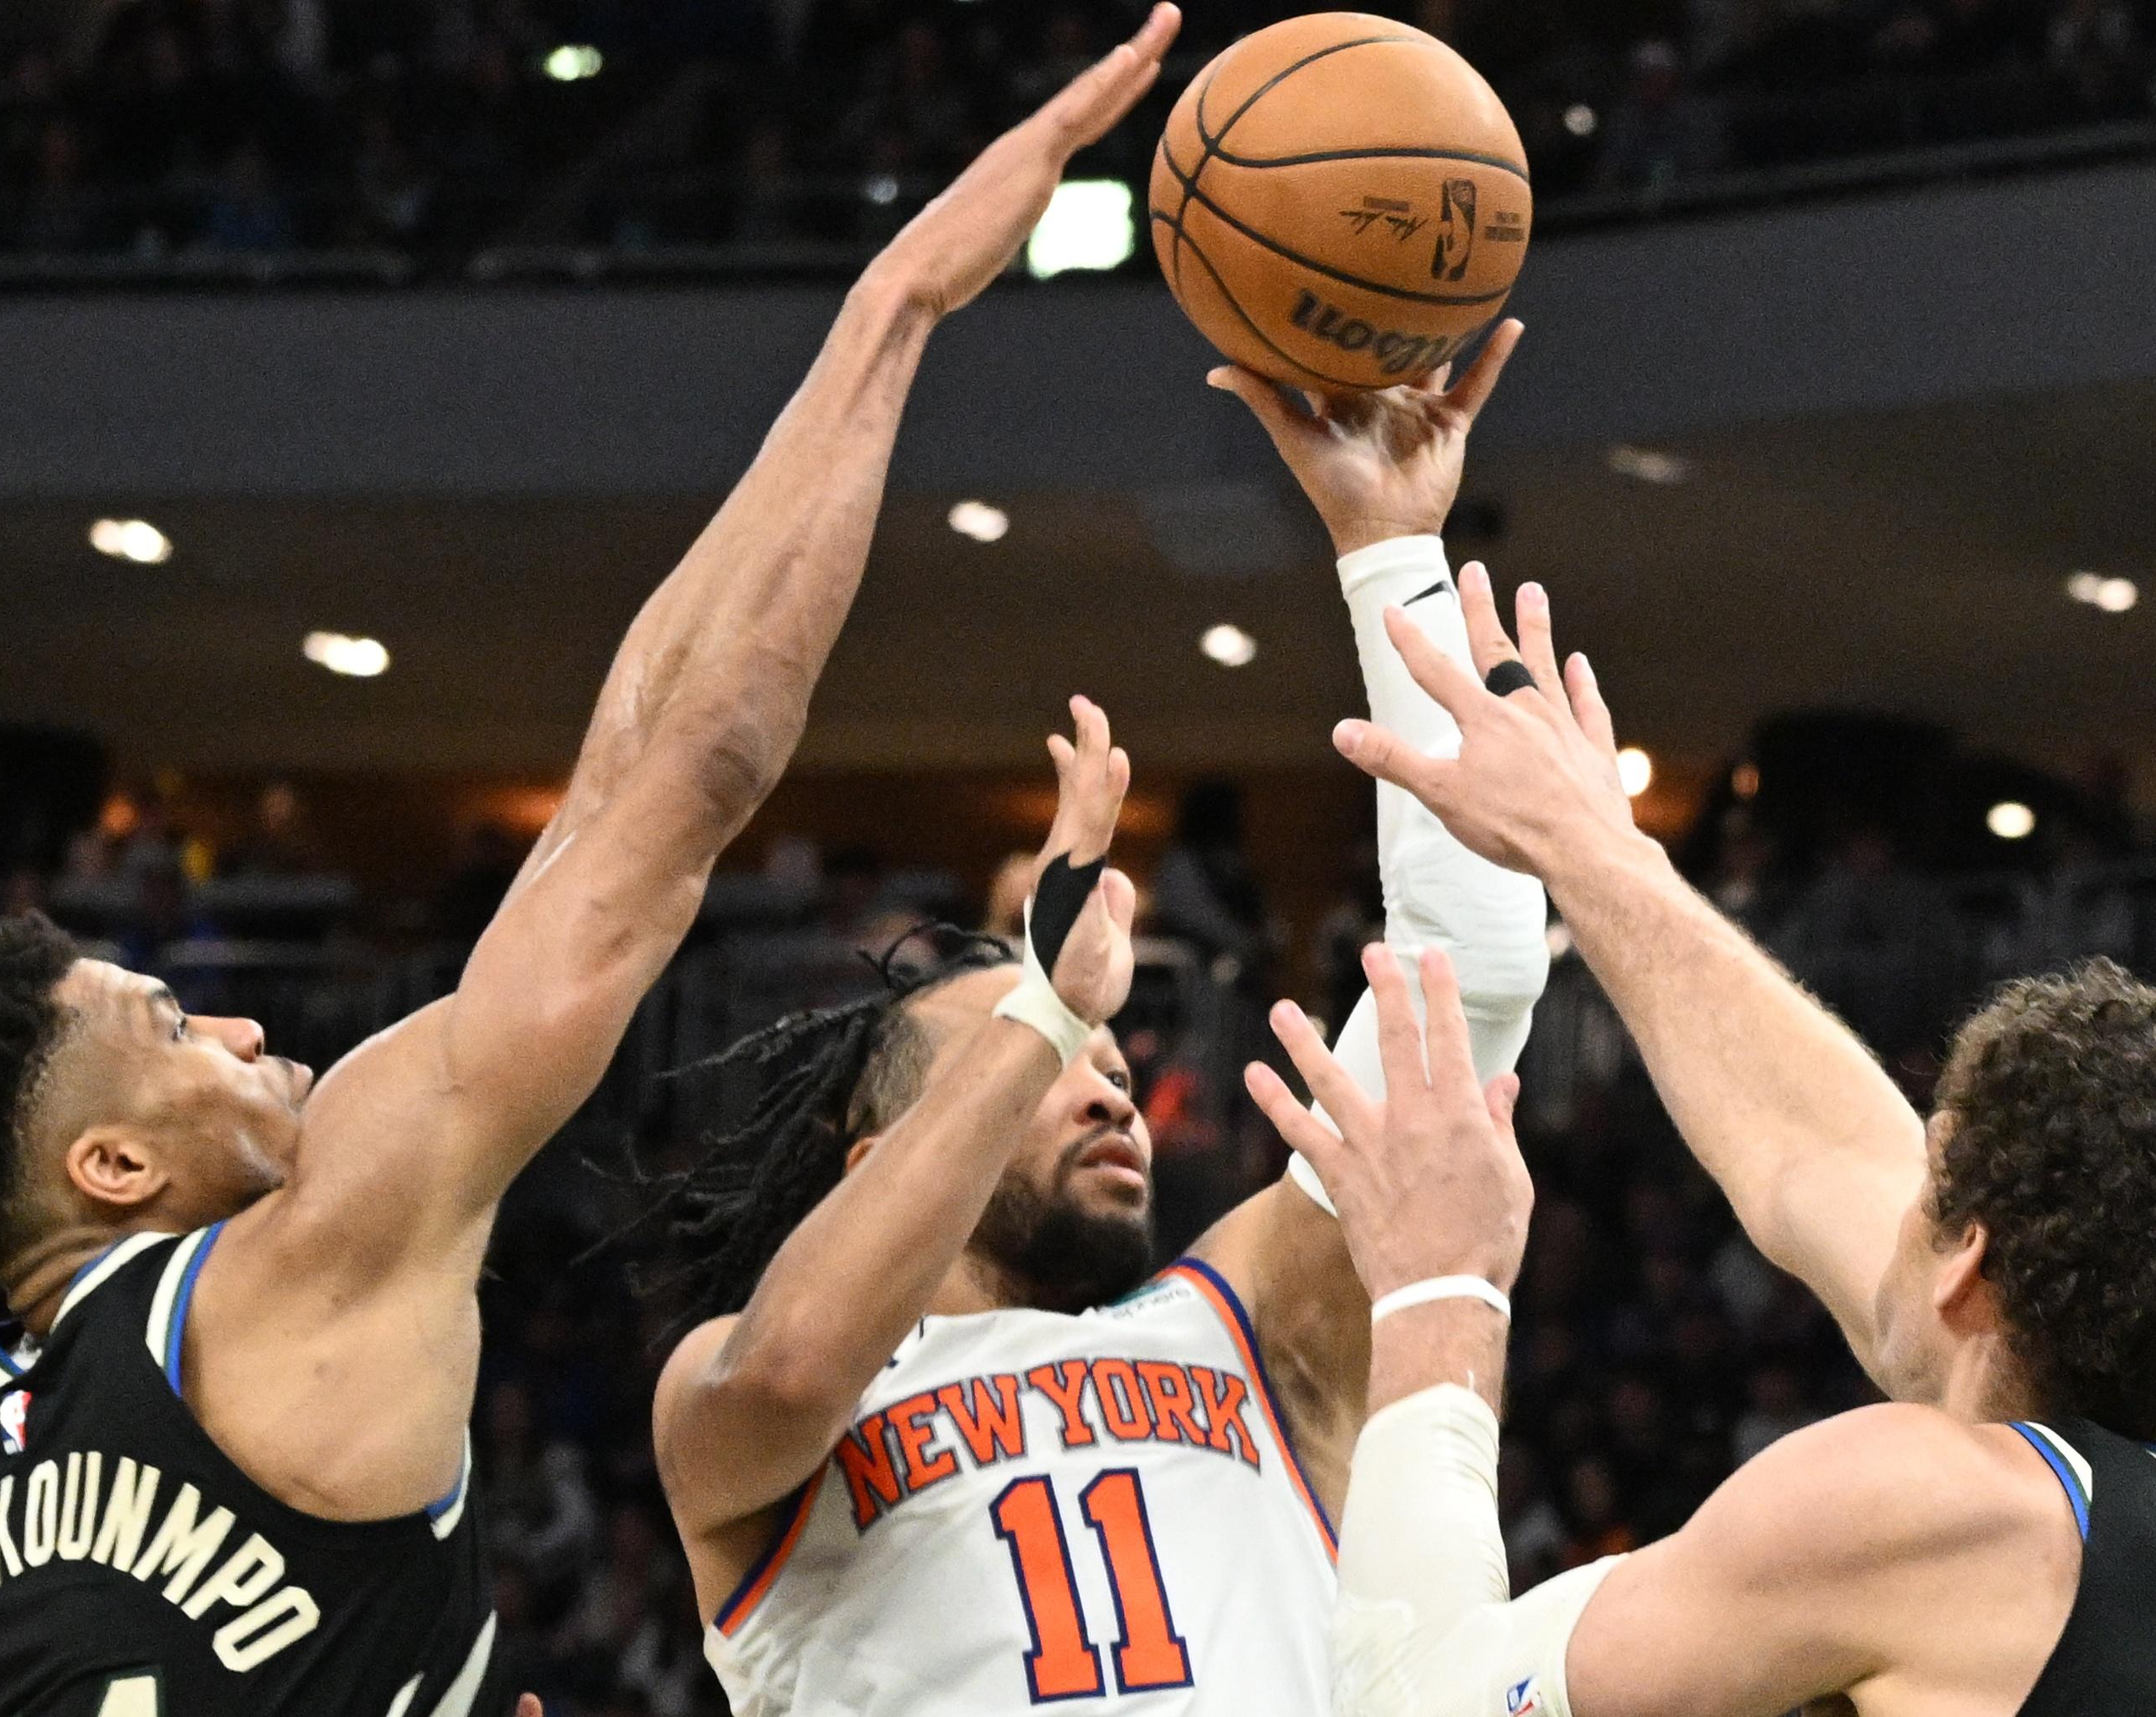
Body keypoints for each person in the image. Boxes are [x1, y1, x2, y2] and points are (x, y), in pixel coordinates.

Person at [0, 14, 1186, 1714]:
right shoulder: (311, 1246)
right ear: (113, 1169)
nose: (242, 1033)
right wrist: (889, 317)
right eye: (176, 1026)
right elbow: (674, 780)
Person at [1245, 575, 2156, 1717]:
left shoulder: (1941, 1511)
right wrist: (1593, 855)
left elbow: (1413, 1703)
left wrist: (1440, 1292)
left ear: (1968, 1261)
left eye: (1930, 1183)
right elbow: (1820, 1153)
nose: (1897, 1189)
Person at [636, 326, 1545, 1716]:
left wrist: (1386, 549)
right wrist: (1044, 1017)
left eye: (1109, 1058)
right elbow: (790, 1367)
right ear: (875, 1155)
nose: (1109, 1085)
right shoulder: (735, 1398)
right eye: (1053, 1064)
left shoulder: (1242, 1323)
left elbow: (1469, 986)